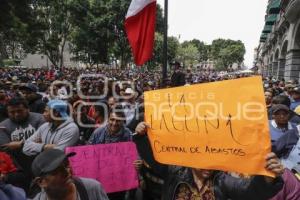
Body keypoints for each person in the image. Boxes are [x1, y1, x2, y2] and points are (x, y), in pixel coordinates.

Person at [165, 152, 283, 200]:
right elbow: (151, 157)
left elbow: (248, 190)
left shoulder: (221, 181)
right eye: (203, 163)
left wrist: (266, 178)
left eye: (212, 163)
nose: (209, 168)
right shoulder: (175, 173)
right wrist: (145, 137)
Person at [89, 106, 142, 200]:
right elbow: (88, 150)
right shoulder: (98, 132)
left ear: (123, 121)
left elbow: (135, 154)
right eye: (112, 119)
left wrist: (137, 162)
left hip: (119, 178)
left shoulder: (128, 134)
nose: (114, 123)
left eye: (118, 120)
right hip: (101, 176)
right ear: (108, 119)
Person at [32, 149, 109, 200]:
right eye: (57, 170)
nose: (67, 171)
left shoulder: (92, 188)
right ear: (41, 182)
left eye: (67, 164)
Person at [0, 97, 45, 182]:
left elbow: (43, 140)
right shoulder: (2, 126)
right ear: (7, 113)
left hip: (41, 162)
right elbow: (5, 147)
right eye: (12, 112)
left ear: (27, 109)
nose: (16, 114)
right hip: (19, 167)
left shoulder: (40, 119)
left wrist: (19, 145)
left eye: (19, 111)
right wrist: (33, 143)